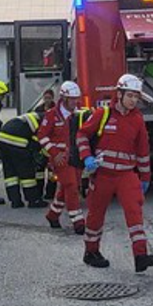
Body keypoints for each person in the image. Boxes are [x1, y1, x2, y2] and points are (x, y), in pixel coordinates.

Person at [77, 73, 153, 272]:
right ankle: (91, 252)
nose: (133, 101)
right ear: (119, 94)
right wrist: (87, 157)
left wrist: (145, 177)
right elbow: (81, 135)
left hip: (126, 175)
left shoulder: (137, 120)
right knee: (96, 214)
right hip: (102, 174)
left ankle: (140, 255)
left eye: (136, 97)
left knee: (135, 212)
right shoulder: (102, 114)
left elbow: (143, 151)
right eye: (130, 96)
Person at [39, 81, 88, 234]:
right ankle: (78, 221)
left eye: (76, 99)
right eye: (72, 99)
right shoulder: (52, 115)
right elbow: (42, 136)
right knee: (72, 187)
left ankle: (53, 215)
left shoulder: (79, 114)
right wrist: (54, 153)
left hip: (76, 157)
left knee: (66, 188)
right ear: (64, 98)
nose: (75, 102)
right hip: (60, 159)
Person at [0, 109, 45, 208]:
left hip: (2, 139)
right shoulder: (46, 121)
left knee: (10, 173)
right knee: (27, 173)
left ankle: (15, 201)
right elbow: (39, 139)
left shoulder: (33, 117)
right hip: (17, 142)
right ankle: (33, 201)